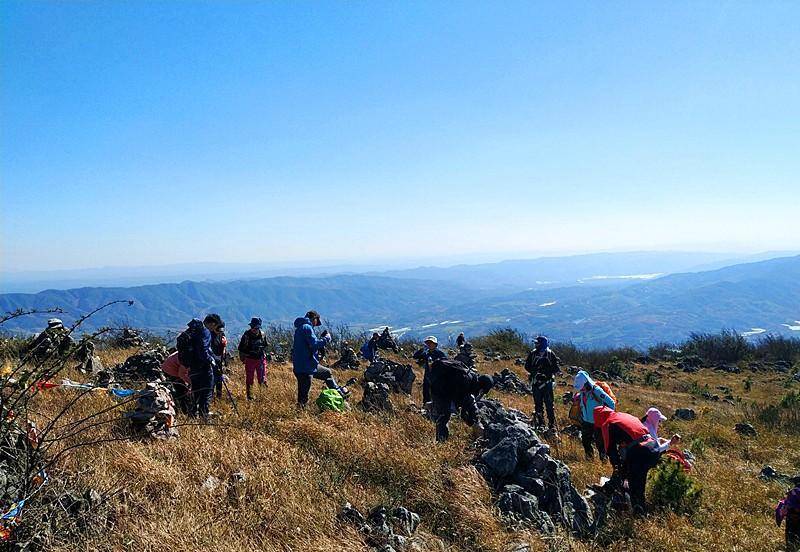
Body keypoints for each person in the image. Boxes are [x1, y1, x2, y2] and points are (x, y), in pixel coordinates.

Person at [593, 405, 661, 514]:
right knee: (638, 478)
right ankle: (610, 488)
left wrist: (616, 465)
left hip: (640, 451)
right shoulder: (623, 415)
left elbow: (610, 450)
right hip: (654, 448)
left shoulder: (607, 423)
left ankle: (638, 513)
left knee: (633, 481)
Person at [429, 358, 493, 442]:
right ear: (481, 387)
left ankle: (441, 440)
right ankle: (441, 442)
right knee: (444, 416)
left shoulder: (471, 378)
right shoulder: (466, 383)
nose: (480, 393)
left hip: (441, 389)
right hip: (441, 392)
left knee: (444, 415)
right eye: (482, 391)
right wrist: (472, 423)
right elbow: (462, 411)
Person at [292, 310, 345, 407]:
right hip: (305, 368)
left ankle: (338, 394)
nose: (316, 324)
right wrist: (326, 339)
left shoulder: (301, 327)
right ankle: (301, 415)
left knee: (327, 372)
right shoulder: (307, 327)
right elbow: (314, 344)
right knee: (303, 396)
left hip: (306, 365)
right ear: (314, 319)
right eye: (317, 321)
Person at [180, 316, 220, 420]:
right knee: (206, 393)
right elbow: (203, 351)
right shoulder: (205, 332)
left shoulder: (192, 333)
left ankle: (192, 417)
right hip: (204, 368)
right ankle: (204, 418)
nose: (214, 329)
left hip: (192, 368)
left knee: (195, 393)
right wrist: (211, 360)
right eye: (215, 326)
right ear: (212, 323)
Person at [573, 370, 616, 460]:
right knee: (585, 441)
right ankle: (589, 459)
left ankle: (603, 460)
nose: (581, 390)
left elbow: (611, 403)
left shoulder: (597, 390)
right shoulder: (582, 392)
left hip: (598, 422)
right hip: (586, 421)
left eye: (582, 388)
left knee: (600, 444)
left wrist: (606, 417)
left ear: (586, 383)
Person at [524, 336, 561, 431]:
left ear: (542, 344)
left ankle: (551, 425)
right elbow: (527, 366)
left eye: (537, 343)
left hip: (547, 383)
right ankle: (541, 424)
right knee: (538, 404)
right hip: (536, 383)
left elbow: (556, 368)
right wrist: (536, 372)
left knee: (549, 405)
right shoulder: (532, 354)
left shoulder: (550, 354)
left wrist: (545, 373)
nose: (535, 344)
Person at [238, 317, 268, 401]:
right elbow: (240, 348)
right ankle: (250, 396)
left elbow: (265, 345)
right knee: (249, 378)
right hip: (250, 359)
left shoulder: (262, 335)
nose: (253, 329)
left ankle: (263, 396)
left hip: (260, 359)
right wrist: (243, 358)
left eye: (255, 327)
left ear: (259, 327)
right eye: (252, 327)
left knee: (262, 378)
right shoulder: (246, 335)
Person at [412, 336, 447, 404]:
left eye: (431, 343)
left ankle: (436, 407)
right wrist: (422, 349)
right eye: (428, 343)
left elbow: (445, 363)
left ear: (435, 344)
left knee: (436, 392)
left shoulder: (440, 353)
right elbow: (415, 356)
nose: (429, 344)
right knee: (426, 391)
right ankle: (426, 406)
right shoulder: (426, 353)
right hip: (427, 375)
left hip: (437, 376)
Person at [777, 477, 800, 552]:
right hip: (794, 518)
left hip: (791, 519)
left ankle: (790, 547)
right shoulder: (794, 492)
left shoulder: (793, 492)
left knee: (791, 537)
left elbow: (782, 509)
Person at [208, 314, 226, 400]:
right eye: (218, 330)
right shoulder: (209, 336)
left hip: (219, 360)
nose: (219, 331)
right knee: (212, 379)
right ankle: (210, 397)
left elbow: (223, 346)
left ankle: (219, 396)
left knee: (219, 379)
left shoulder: (221, 334)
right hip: (212, 360)